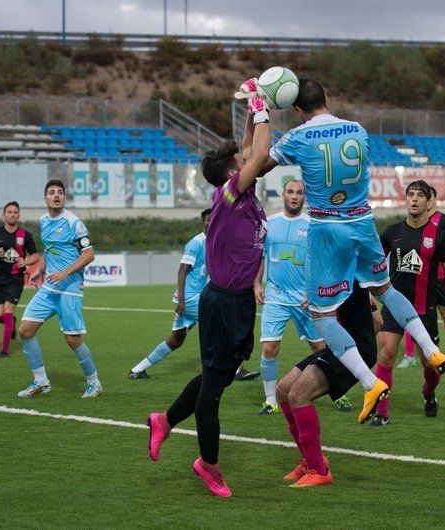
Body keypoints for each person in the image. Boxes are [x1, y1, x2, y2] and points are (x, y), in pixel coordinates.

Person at [264, 78, 445, 424]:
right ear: (327, 97)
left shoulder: (299, 136)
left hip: (327, 229)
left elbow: (261, 162)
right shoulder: (358, 130)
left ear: (297, 110)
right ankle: (432, 349)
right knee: (386, 290)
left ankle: (369, 382)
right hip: (362, 221)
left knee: (321, 315)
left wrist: (260, 115)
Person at [145, 92, 270, 498]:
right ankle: (208, 465)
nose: (246, 160)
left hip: (237, 303)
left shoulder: (243, 194)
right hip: (221, 304)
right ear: (232, 173)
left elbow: (251, 147)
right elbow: (260, 153)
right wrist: (266, 106)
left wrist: (253, 110)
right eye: (240, 162)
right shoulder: (230, 195)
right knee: (212, 393)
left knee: (219, 375)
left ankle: (164, 420)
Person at [371, 181, 445, 426]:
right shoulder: (392, 232)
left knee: (430, 365)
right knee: (386, 354)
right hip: (394, 305)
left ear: (429, 202)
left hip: (424, 309)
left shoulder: (439, 237)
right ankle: (382, 413)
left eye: (419, 195)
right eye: (410, 195)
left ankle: (429, 393)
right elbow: (374, 264)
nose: (414, 199)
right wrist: (371, 291)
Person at [254, 179, 352, 414]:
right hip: (276, 297)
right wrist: (257, 283)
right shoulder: (269, 223)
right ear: (283, 195)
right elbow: (260, 257)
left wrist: (315, 292)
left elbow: (322, 262)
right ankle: (270, 400)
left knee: (321, 349)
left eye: (299, 192)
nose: (295, 196)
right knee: (269, 349)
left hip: (306, 300)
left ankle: (338, 392)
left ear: (304, 197)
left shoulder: (312, 225)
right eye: (290, 191)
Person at [275, 281, 375, 487]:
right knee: (284, 389)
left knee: (299, 395)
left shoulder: (348, 272)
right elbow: (377, 320)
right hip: (338, 346)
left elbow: (376, 318)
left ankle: (319, 471)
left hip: (354, 349)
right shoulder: (333, 271)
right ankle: (312, 460)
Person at [16, 180, 102, 398]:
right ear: (45, 199)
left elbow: (89, 254)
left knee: (72, 339)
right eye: (52, 193)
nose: (56, 196)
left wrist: (66, 272)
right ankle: (41, 381)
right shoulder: (44, 220)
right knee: (25, 331)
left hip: (70, 289)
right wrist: (40, 269)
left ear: (64, 198)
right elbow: (50, 249)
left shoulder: (74, 223)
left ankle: (94, 383)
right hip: (49, 288)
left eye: (60, 193)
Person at [129, 209, 212, 379]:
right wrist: (182, 301)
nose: (212, 222)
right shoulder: (196, 243)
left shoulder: (215, 242)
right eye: (209, 220)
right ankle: (235, 371)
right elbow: (182, 271)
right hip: (191, 298)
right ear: (203, 222)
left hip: (196, 297)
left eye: (215, 219)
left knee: (176, 339)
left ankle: (137, 370)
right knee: (219, 327)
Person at [401, 186, 445, 367]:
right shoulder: (412, 222)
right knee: (409, 313)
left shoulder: (444, 220)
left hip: (439, 276)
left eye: (424, 196)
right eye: (414, 195)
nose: (418, 199)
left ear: (432, 200)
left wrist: (436, 250)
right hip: (416, 276)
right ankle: (408, 354)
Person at [0, 201, 39, 358]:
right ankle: (11, 323)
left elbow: (35, 256)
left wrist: (25, 261)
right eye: (9, 212)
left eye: (15, 212)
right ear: (4, 215)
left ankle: (4, 350)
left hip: (15, 279)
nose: (12, 214)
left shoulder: (25, 235)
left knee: (7, 312)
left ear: (18, 216)